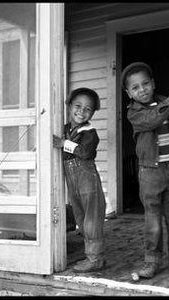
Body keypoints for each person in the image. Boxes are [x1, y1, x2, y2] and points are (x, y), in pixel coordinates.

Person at [121, 62, 169, 279]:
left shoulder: (164, 101)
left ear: (153, 83)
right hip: (151, 172)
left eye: (145, 83)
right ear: (128, 93)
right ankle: (152, 261)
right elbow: (154, 118)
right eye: (135, 87)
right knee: (153, 218)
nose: (142, 89)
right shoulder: (134, 113)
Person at [53, 87, 106, 272]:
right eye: (78, 106)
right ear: (69, 106)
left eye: (88, 109)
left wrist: (63, 144)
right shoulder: (67, 128)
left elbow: (86, 152)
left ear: (92, 113)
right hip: (72, 180)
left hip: (87, 180)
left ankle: (94, 258)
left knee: (92, 219)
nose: (81, 112)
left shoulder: (89, 132)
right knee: (81, 219)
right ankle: (93, 256)